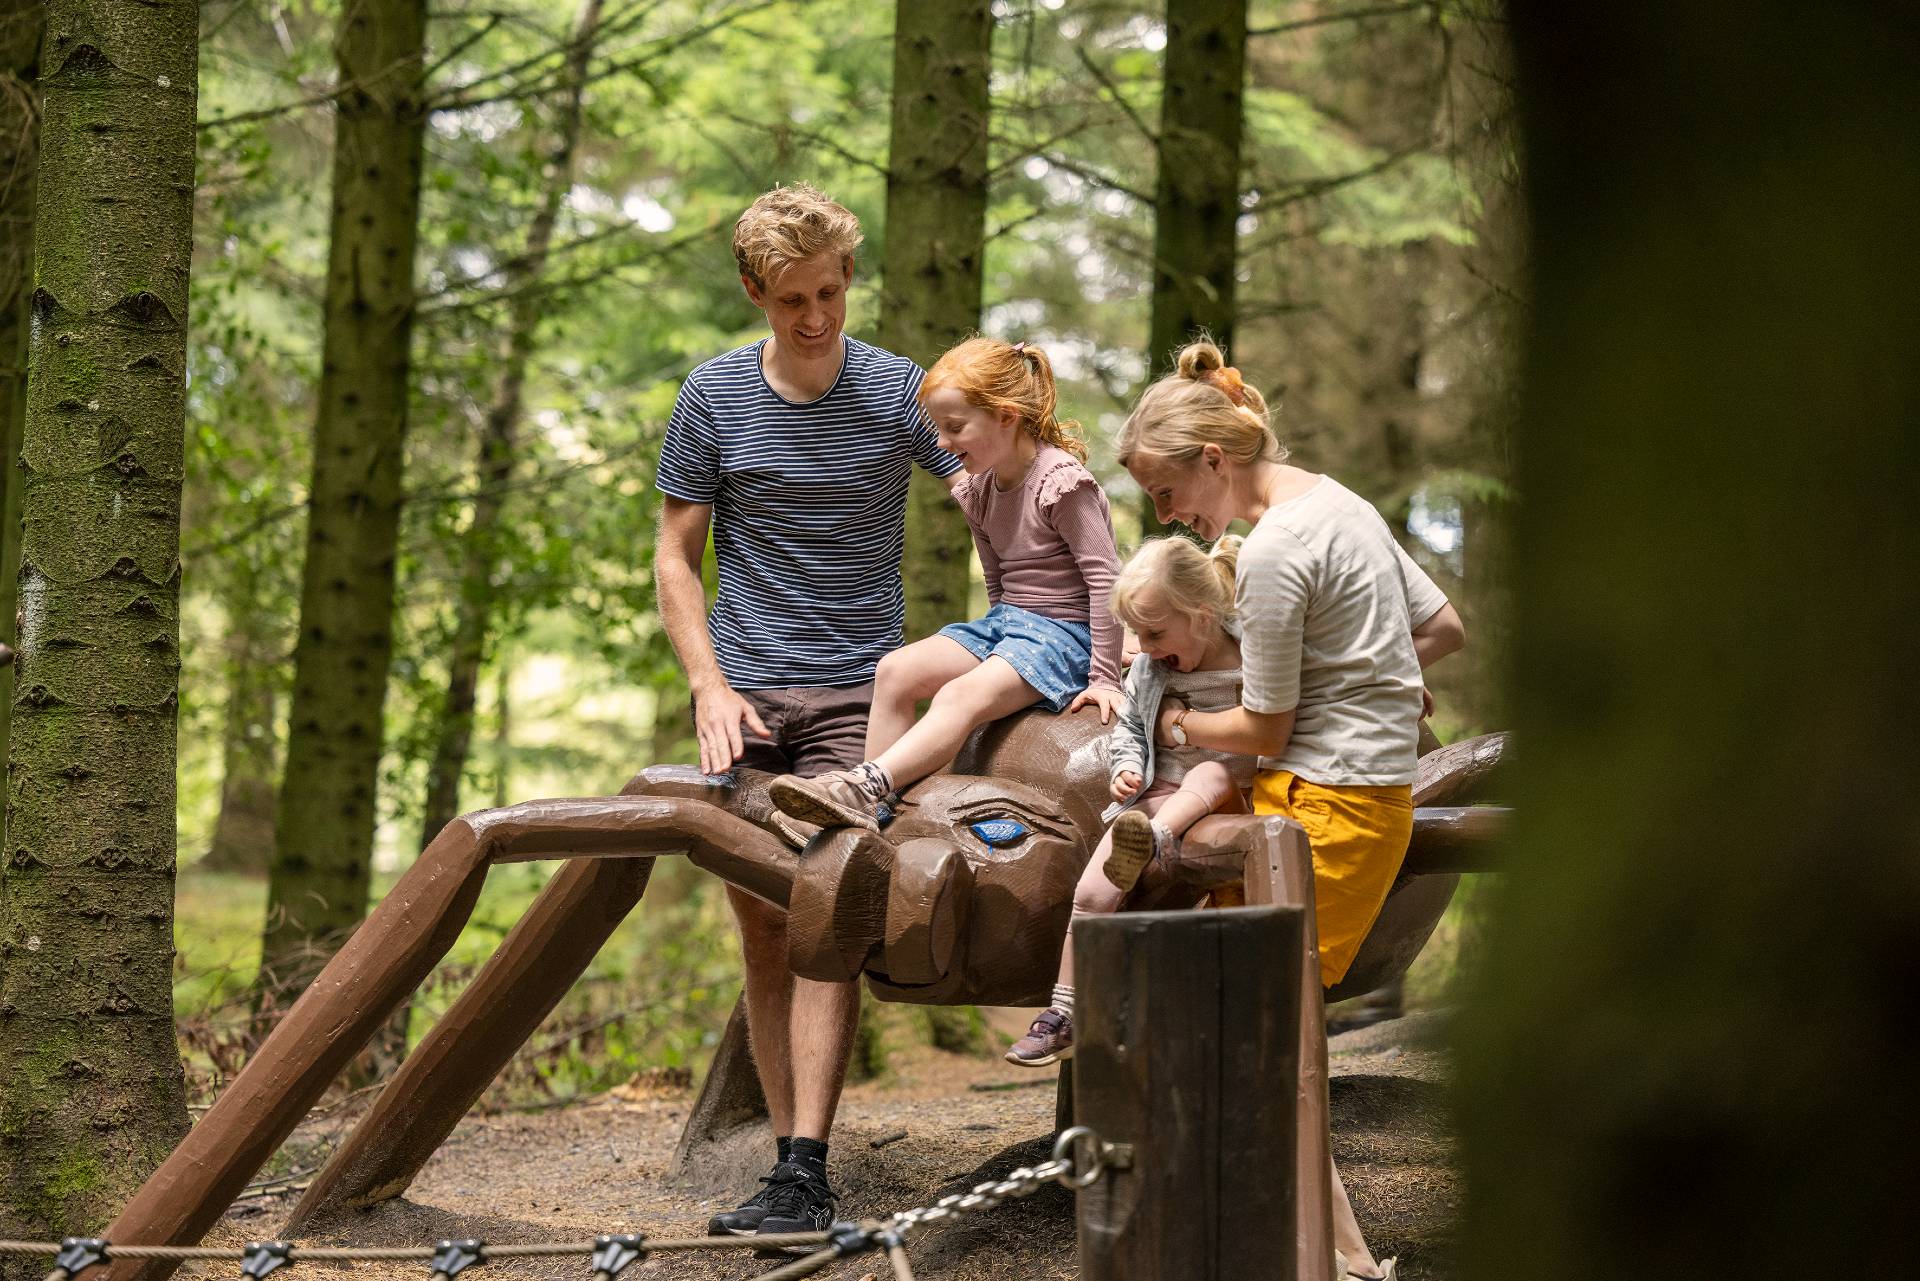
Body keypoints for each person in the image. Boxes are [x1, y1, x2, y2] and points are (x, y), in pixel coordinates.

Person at [1116, 339, 1465, 1281]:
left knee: (1260, 1031)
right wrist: (1381, 681)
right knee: (1241, 1018)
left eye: (1165, 490)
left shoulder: (1272, 549)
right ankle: (1315, 1246)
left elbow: (1264, 727)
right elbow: (1441, 627)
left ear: (1214, 461)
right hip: (1335, 786)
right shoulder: (1339, 500)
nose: (1168, 515)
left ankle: (1332, 1258)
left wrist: (1181, 725)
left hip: (1329, 803)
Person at [652, 184, 962, 1240]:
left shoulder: (897, 392)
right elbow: (674, 560)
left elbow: (999, 482)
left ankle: (806, 1167)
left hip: (857, 697)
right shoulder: (713, 397)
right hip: (743, 693)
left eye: (830, 292)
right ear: (755, 294)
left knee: (823, 903)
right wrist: (708, 687)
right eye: (792, 299)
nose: (817, 317)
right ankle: (789, 1168)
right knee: (765, 924)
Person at [767, 337, 1126, 831]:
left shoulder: (1062, 483)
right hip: (1010, 625)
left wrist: (1105, 674)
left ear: (1006, 416)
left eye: (954, 428)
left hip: (1065, 634)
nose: (941, 444)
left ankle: (864, 785)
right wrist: (993, 648)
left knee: (957, 696)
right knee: (894, 670)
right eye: (937, 428)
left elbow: (1107, 580)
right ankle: (872, 812)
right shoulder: (979, 491)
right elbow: (998, 582)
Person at [1005, 535, 1259, 1067]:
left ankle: (1160, 836)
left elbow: (1318, 684)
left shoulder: (1258, 649)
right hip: (1160, 795)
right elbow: (1132, 733)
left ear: (1204, 616)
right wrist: (1126, 769)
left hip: (1237, 797)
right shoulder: (1151, 668)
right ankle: (1063, 1012)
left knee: (1211, 771)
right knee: (1092, 893)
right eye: (1136, 634)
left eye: (1154, 633)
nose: (1141, 648)